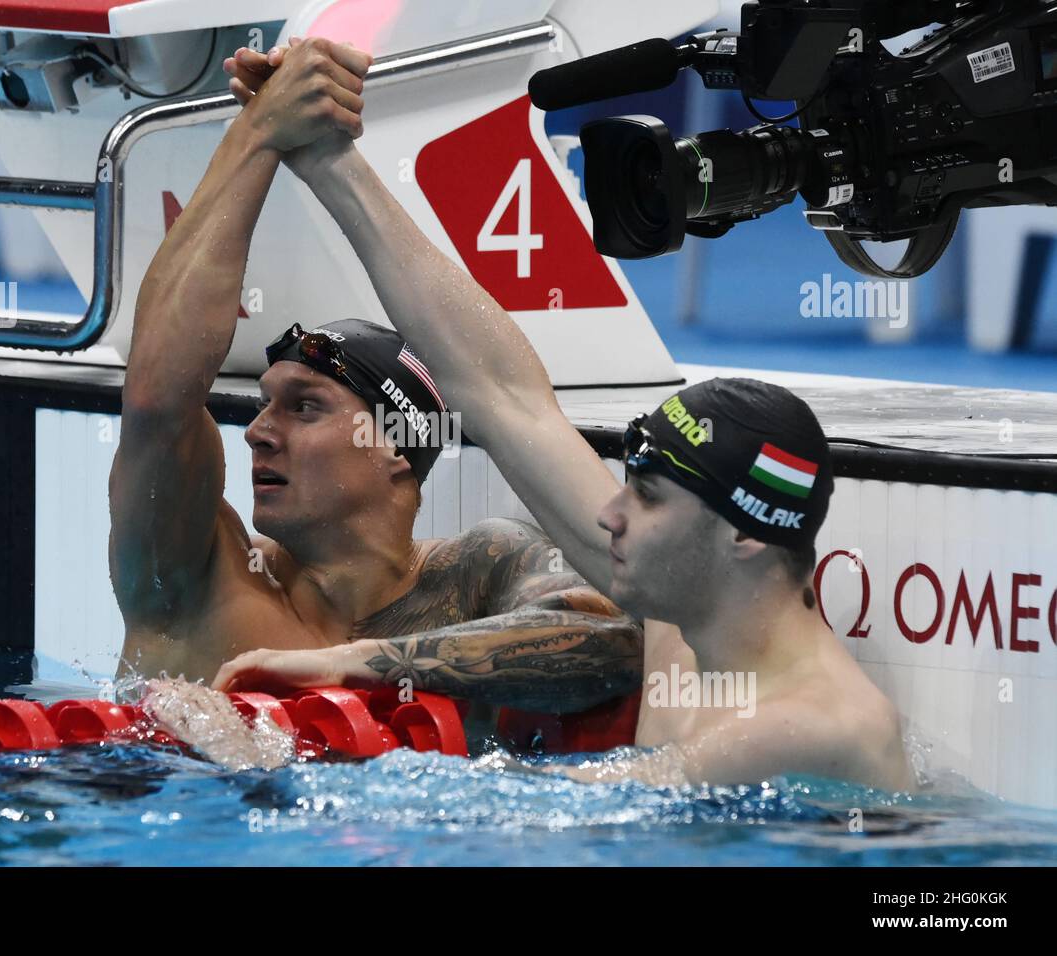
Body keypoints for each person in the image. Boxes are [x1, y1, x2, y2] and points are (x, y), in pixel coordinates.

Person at [161, 39, 915, 792]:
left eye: (647, 498)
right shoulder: (687, 619)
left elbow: (554, 813)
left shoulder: (816, 725)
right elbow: (504, 397)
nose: (610, 514)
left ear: (742, 535)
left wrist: (279, 749)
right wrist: (330, 158)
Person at [108, 37, 641, 717]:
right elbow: (157, 401)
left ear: (394, 442)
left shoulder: (478, 573)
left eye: (305, 408)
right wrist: (256, 134)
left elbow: (614, 637)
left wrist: (344, 667)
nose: (258, 435)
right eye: (265, 405)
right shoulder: (201, 575)